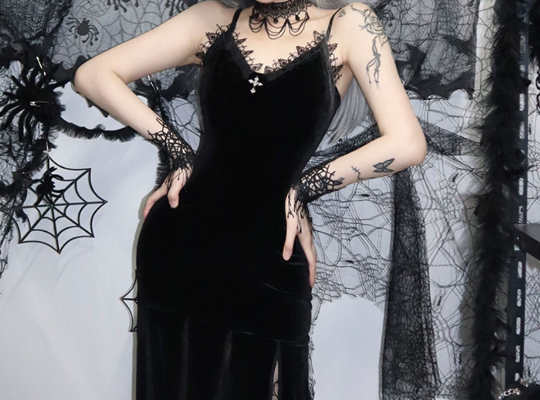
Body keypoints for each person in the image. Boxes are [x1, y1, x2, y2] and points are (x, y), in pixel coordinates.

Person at [73, 0, 427, 397]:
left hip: (269, 261)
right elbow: (92, 75)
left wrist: (303, 189)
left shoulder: (349, 24)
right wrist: (179, 151)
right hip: (180, 250)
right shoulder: (212, 19)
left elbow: (407, 143)